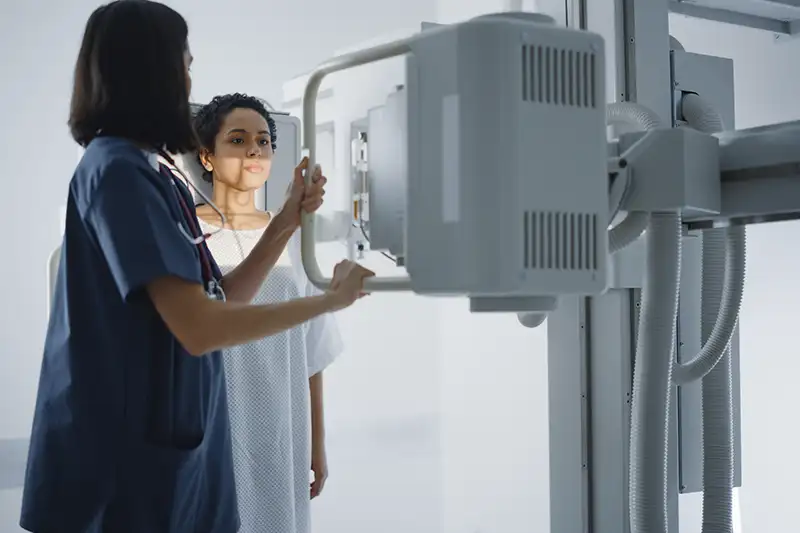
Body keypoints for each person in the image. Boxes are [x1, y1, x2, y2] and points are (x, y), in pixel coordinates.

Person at [19, 2, 373, 533]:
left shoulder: (157, 173)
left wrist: (284, 221)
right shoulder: (116, 171)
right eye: (183, 61)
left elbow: (221, 298)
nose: (189, 76)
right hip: (124, 475)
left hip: (179, 462)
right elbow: (201, 327)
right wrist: (329, 299)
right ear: (150, 68)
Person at [191, 93, 340, 533]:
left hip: (281, 421)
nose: (253, 150)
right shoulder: (188, 232)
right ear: (207, 156)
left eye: (262, 141)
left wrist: (317, 442)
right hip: (213, 418)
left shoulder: (295, 237)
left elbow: (313, 349)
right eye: (237, 140)